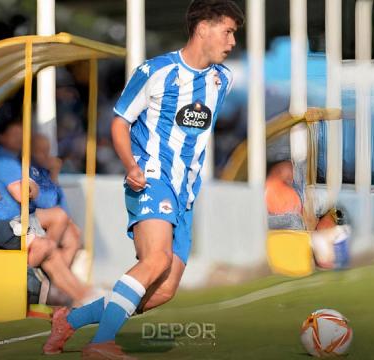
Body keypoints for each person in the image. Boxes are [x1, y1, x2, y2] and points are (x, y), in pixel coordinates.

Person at [42, 1, 244, 358]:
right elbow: (120, 121)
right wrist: (131, 165)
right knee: (157, 259)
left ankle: (70, 320)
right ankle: (101, 344)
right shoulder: (155, 71)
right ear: (202, 29)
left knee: (163, 290)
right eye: (227, 31)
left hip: (185, 192)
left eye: (234, 34)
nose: (231, 42)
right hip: (150, 178)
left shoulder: (221, 79)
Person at [0, 133, 88, 303]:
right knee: (47, 247)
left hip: (3, 224)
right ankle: (25, 280)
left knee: (52, 253)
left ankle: (83, 297)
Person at [32, 133, 82, 267]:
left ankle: (55, 279)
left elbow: (60, 199)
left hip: (52, 218)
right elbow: (44, 202)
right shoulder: (29, 169)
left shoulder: (44, 171)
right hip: (34, 218)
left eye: (47, 151)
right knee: (61, 220)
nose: (45, 155)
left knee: (74, 237)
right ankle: (47, 269)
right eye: (40, 151)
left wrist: (69, 220)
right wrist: (54, 174)